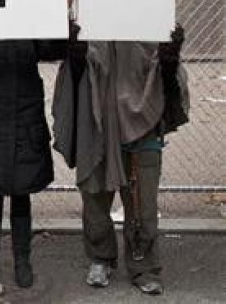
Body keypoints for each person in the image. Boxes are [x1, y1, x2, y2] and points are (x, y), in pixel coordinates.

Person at [52, 26, 188, 295]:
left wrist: (170, 59)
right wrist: (76, 54)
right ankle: (100, 257)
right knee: (94, 197)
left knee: (143, 204)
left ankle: (144, 266)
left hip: (143, 130)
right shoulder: (89, 23)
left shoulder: (152, 24)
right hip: (97, 123)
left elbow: (169, 87)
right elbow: (74, 79)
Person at [0, 7, 67, 288]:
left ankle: (22, 259)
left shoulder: (30, 14)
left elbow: (55, 47)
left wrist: (60, 13)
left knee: (22, 192)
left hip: (24, 115)